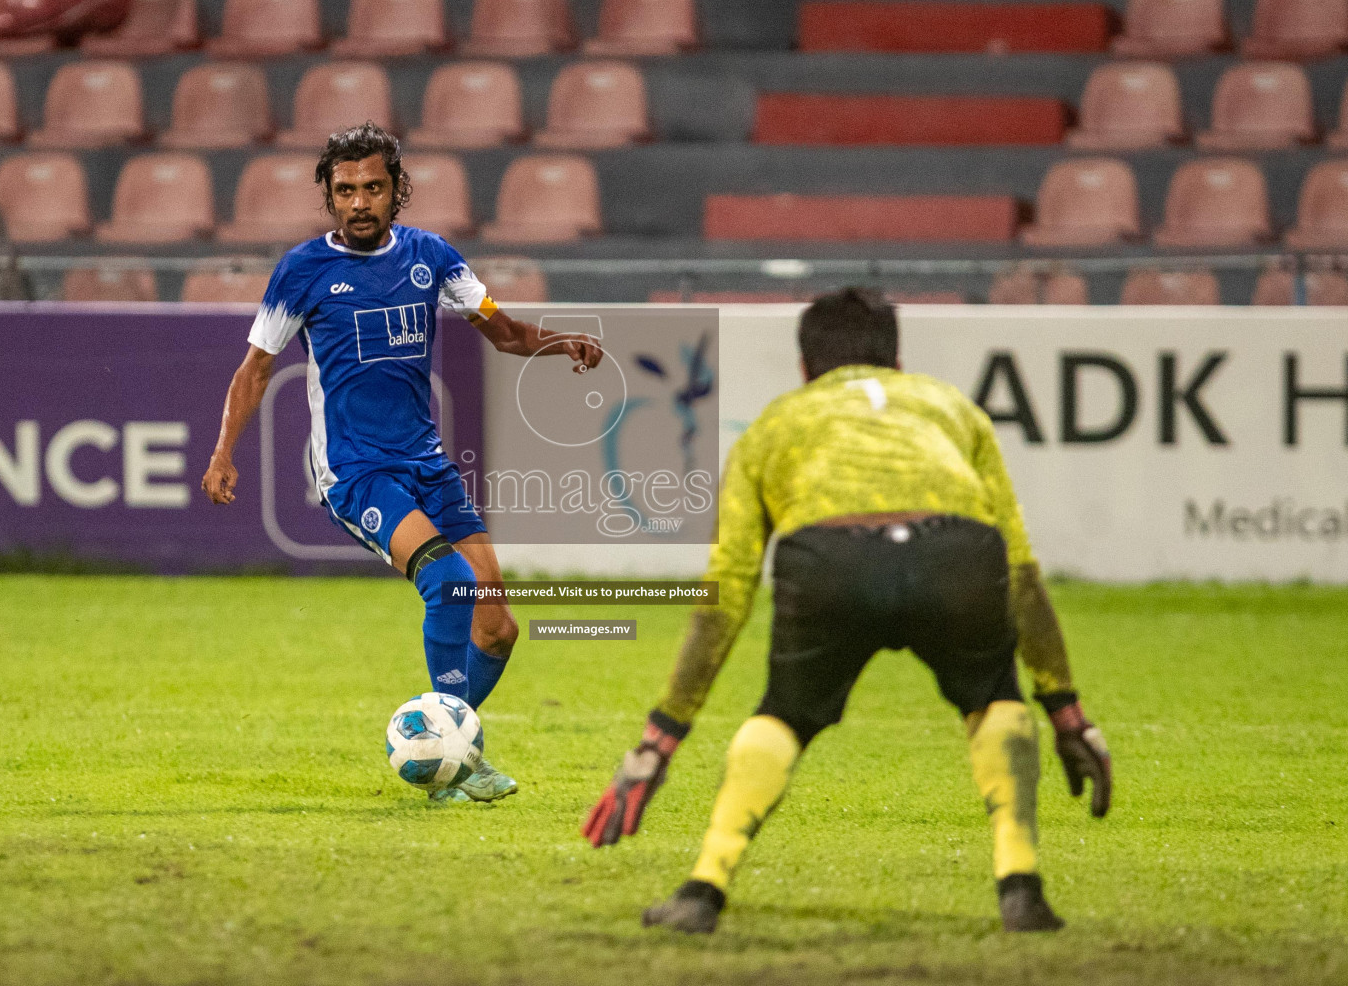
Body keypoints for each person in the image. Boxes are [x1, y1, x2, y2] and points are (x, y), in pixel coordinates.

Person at [582, 288, 1112, 932]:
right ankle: (1020, 885)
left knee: (784, 713)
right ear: (896, 358)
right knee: (995, 699)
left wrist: (659, 738)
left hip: (832, 560)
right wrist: (1066, 707)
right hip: (956, 555)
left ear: (805, 367)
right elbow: (1021, 571)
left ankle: (702, 891)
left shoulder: (776, 424)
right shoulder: (955, 411)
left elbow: (727, 589)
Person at [200, 123, 602, 803]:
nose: (360, 202)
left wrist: (561, 341)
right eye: (346, 190)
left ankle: (447, 745)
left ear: (396, 191)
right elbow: (256, 368)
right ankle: (457, 761)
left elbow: (502, 333)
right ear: (329, 196)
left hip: (427, 463)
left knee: (498, 628)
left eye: (373, 188)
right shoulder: (303, 271)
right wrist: (223, 452)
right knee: (447, 581)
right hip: (356, 472)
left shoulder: (433, 257)